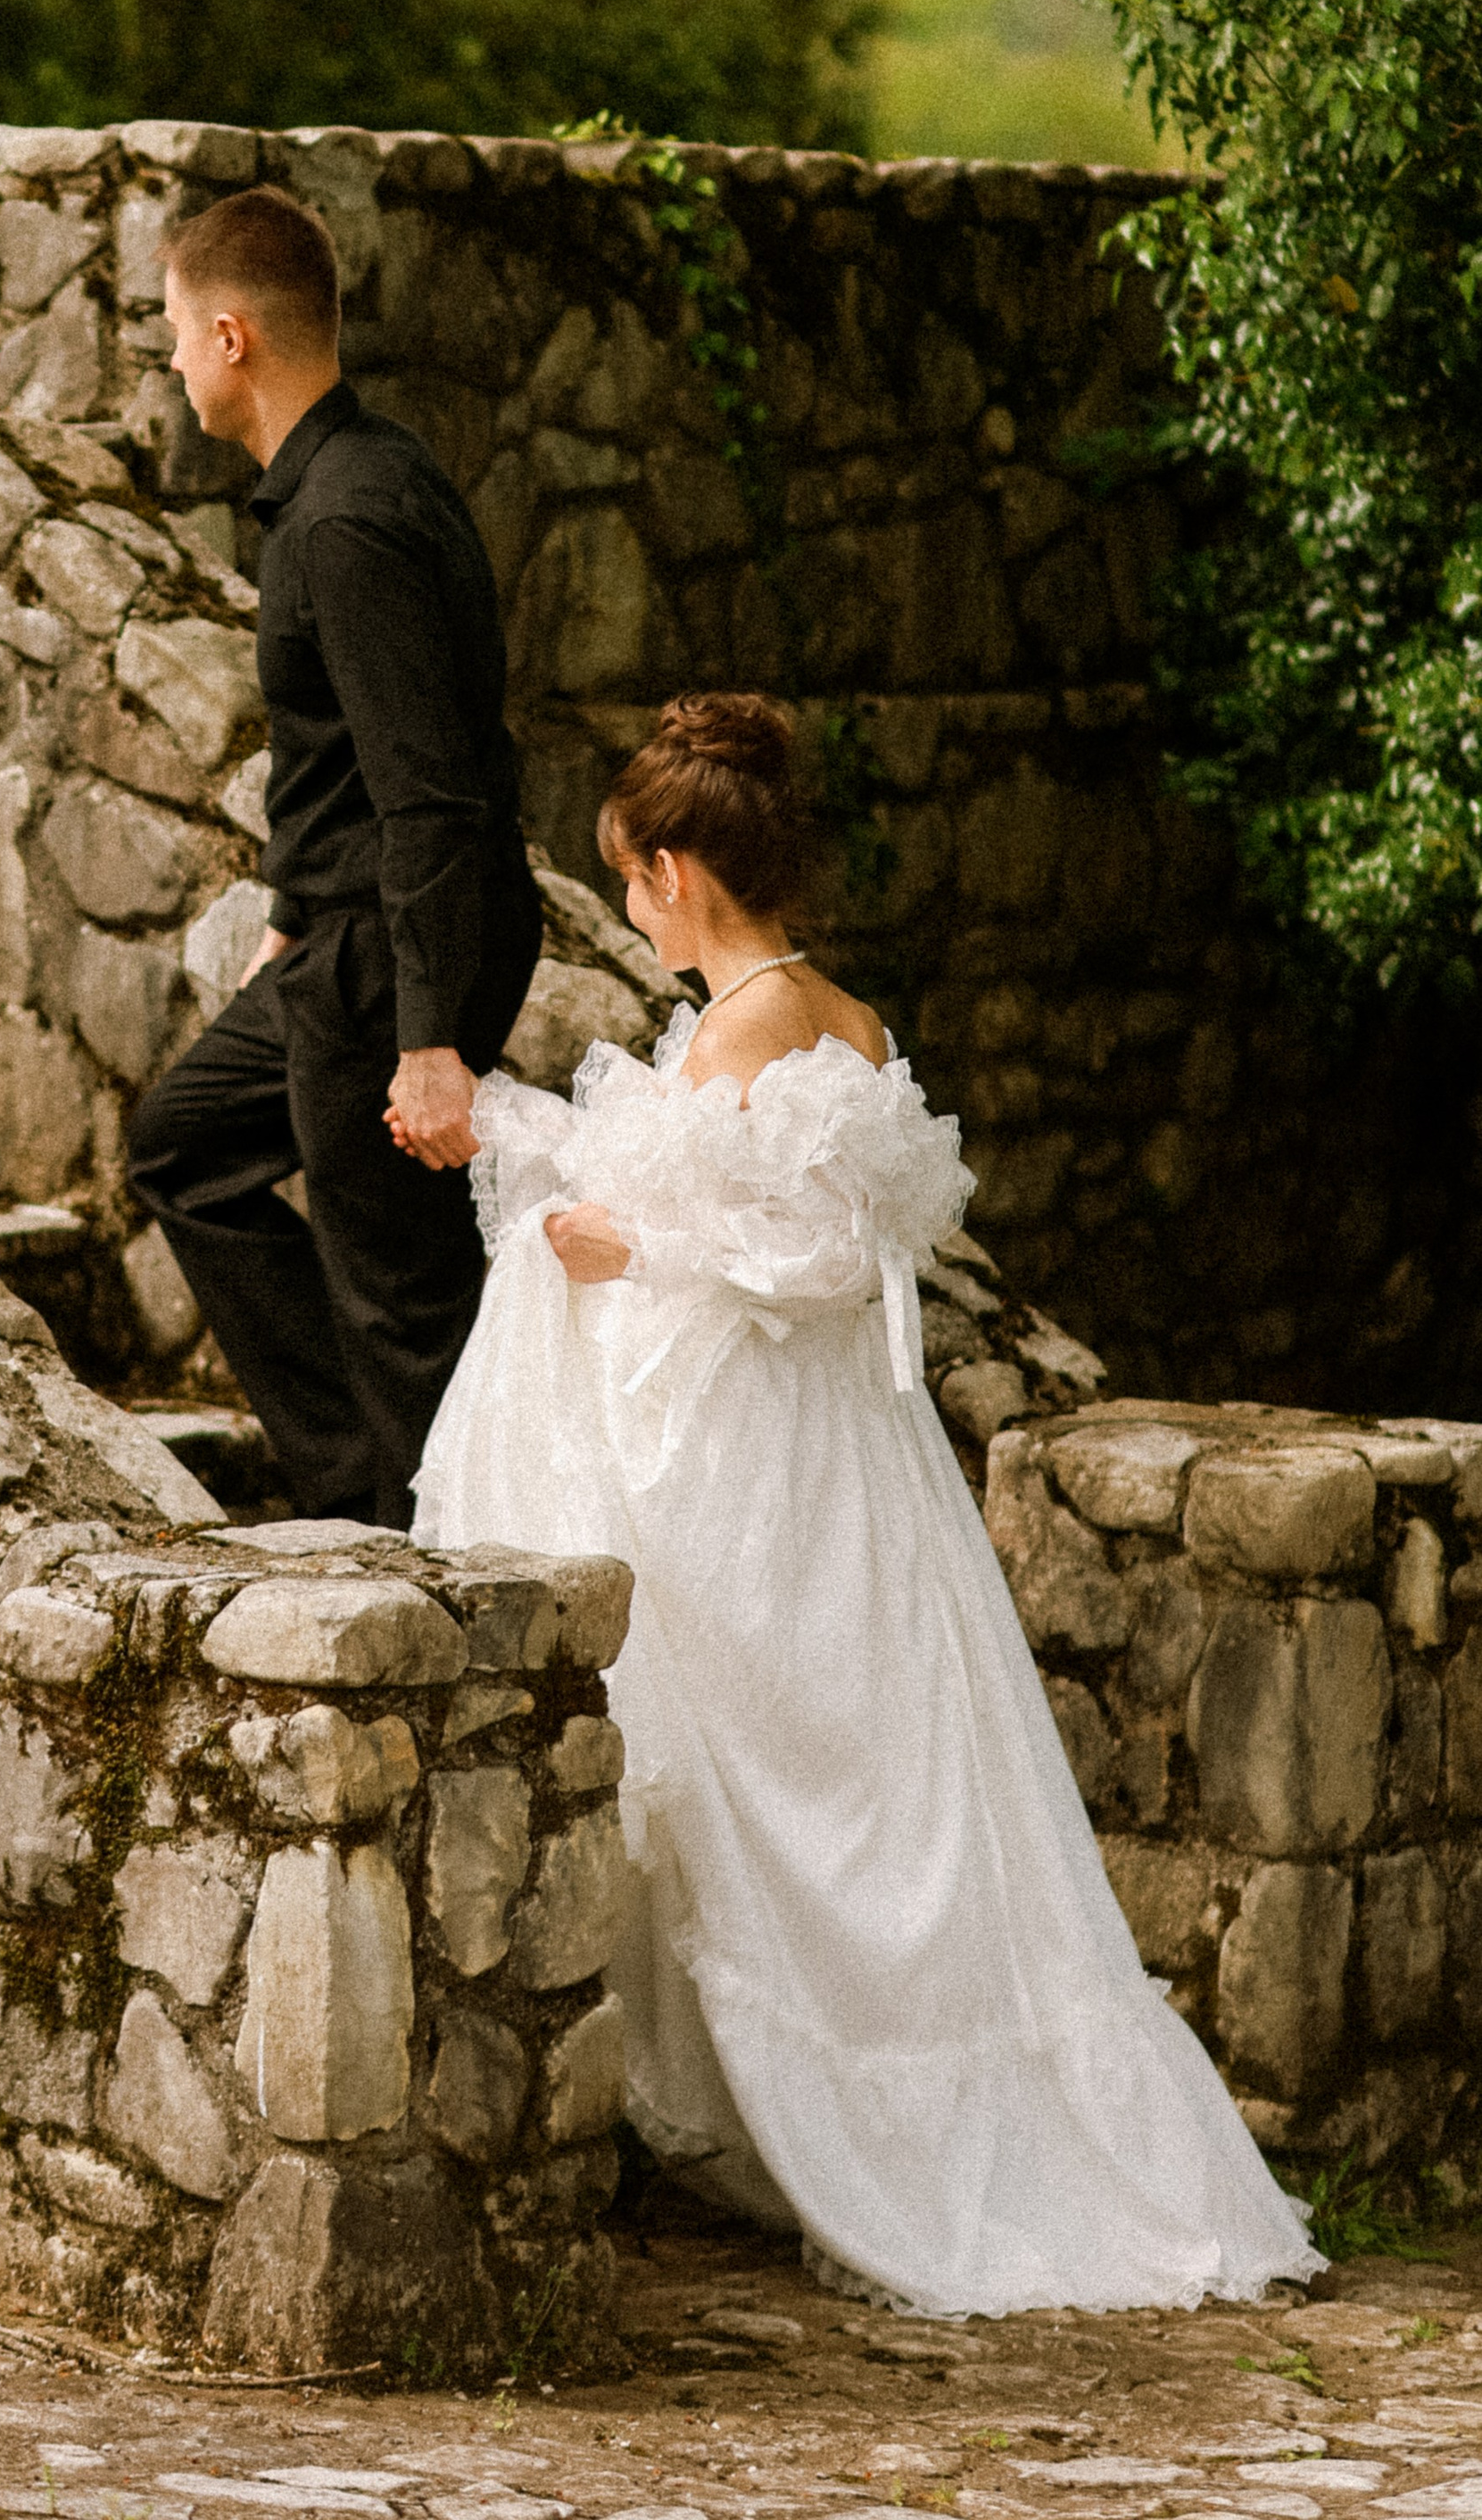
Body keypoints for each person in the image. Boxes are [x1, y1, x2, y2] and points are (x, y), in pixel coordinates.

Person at [414, 690, 1321, 2317]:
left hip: (769, 1448)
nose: (626, 903)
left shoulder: (753, 1020)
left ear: (679, 869)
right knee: (885, 1774)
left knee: (803, 1771)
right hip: (837, 1450)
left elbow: (825, 1263)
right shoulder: (843, 1011)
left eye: (629, 874)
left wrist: (635, 1251)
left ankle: (905, 2136)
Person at [128, 186, 543, 1529]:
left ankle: (437, 1560)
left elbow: (431, 800)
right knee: (183, 1145)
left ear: (235, 337)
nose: (172, 359)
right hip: (345, 936)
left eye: (178, 332)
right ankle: (359, 1481)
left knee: (403, 1304)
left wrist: (429, 1040)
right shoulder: (361, 477)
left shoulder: (347, 523)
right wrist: (295, 908)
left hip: (393, 962)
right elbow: (356, 763)